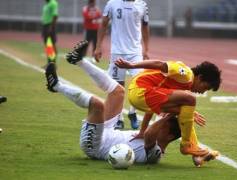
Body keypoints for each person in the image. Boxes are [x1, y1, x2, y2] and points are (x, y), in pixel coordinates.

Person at [45, 41, 217, 166]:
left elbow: (149, 134)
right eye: (206, 86)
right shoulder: (185, 75)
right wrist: (198, 154)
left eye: (164, 124)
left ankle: (57, 85)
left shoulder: (156, 153)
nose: (160, 122)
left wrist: (171, 116)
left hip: (94, 146)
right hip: (108, 131)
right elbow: (154, 110)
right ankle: (79, 60)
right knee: (118, 92)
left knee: (98, 105)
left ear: (169, 135)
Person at [115, 57, 222, 158]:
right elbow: (159, 64)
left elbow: (152, 108)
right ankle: (186, 145)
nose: (202, 92)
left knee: (186, 111)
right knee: (191, 100)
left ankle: (195, 152)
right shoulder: (187, 74)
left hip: (139, 96)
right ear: (200, 77)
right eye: (205, 87)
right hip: (140, 90)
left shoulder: (181, 84)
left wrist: (142, 131)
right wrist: (131, 65)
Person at [94, 0, 150, 130]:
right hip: (117, 52)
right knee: (117, 87)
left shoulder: (142, 5)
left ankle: (132, 112)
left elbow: (145, 26)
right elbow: (103, 24)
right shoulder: (112, 3)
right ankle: (118, 119)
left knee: (141, 83)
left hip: (135, 53)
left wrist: (146, 49)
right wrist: (98, 47)